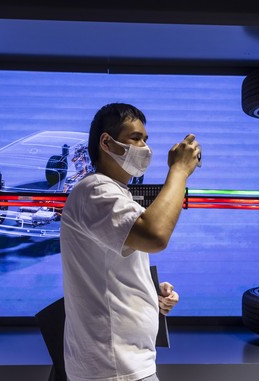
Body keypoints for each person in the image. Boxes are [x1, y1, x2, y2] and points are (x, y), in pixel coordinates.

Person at [60, 103, 201, 381]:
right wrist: (180, 171)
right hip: (114, 367)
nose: (144, 148)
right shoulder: (95, 189)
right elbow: (155, 235)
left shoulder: (114, 192)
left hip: (122, 364)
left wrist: (149, 292)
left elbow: (109, 266)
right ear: (106, 142)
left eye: (146, 140)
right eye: (135, 138)